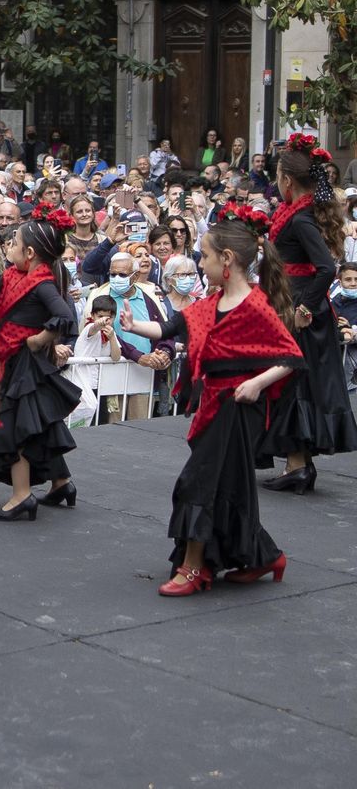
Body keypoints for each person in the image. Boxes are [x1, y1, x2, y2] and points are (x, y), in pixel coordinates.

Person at [120, 209, 299, 595]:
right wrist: (134, 327)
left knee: (197, 482)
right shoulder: (208, 305)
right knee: (227, 486)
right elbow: (170, 327)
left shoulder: (256, 306)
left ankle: (193, 567)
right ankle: (264, 555)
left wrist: (256, 383)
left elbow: (290, 357)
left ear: (227, 261)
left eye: (204, 255)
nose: (200, 262)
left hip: (240, 408)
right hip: (213, 403)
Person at [259, 134, 357, 490]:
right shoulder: (297, 214)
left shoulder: (300, 219)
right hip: (290, 303)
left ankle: (298, 465)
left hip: (298, 308)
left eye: (278, 176)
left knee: (294, 385)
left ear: (286, 180)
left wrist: (304, 307)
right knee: (293, 384)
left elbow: (327, 268)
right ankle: (297, 465)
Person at [0, 207, 81, 520]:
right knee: (40, 424)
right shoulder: (13, 276)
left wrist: (41, 338)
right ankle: (61, 482)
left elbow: (64, 315)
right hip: (15, 360)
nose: (8, 246)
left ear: (30, 252)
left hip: (25, 364)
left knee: (17, 427)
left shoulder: (42, 283)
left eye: (13, 242)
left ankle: (22, 495)